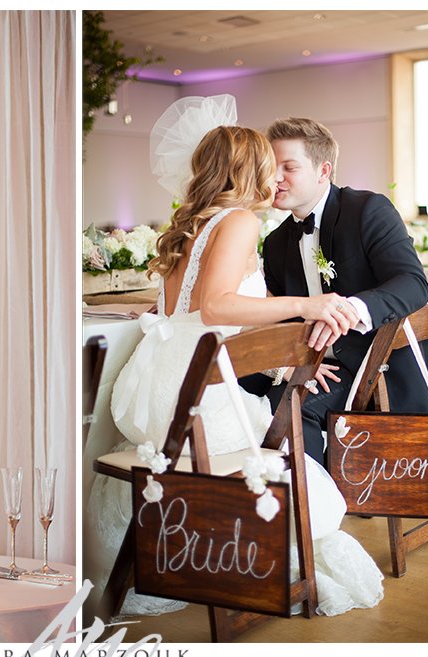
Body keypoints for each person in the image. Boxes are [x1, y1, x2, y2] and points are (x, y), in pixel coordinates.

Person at [95, 95, 383, 618]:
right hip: (197, 387)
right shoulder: (239, 223)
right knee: (280, 467)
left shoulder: (193, 223)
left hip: (159, 383)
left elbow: (183, 312)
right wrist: (308, 304)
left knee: (252, 434)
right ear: (250, 168)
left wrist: (275, 360)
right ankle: (247, 565)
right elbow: (214, 308)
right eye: (271, 167)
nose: (277, 179)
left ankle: (176, 552)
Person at [262, 117, 428, 464]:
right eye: (271, 167)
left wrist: (351, 311)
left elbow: (413, 283)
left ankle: (314, 514)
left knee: (290, 411)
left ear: (323, 170)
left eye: (289, 167)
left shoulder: (367, 210)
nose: (275, 178)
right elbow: (280, 320)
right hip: (315, 367)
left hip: (374, 364)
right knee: (249, 402)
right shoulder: (274, 244)